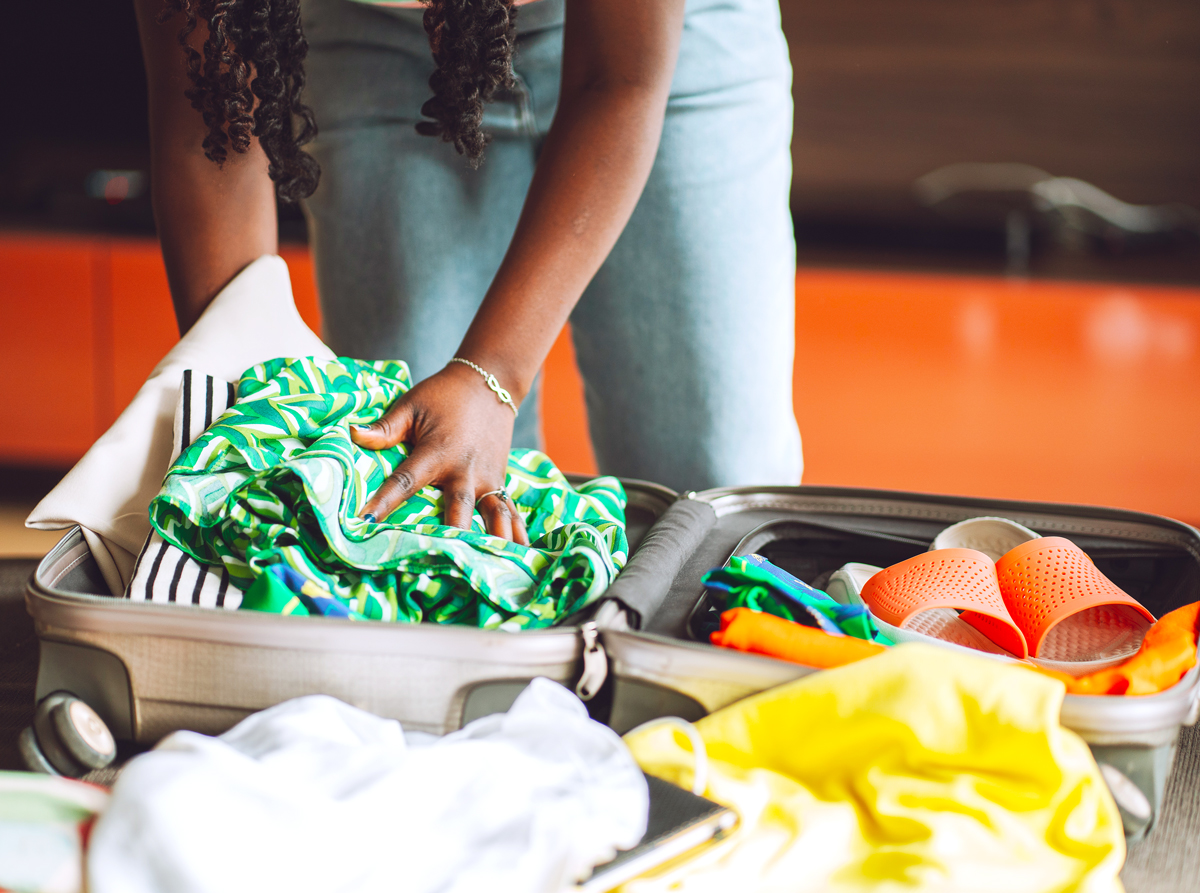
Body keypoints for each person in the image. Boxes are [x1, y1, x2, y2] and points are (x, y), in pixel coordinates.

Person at [134, 0, 802, 545]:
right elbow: (207, 117)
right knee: (420, 501)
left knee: (716, 482)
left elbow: (619, 79)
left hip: (666, 44)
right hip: (376, 46)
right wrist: (242, 401)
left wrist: (493, 374)